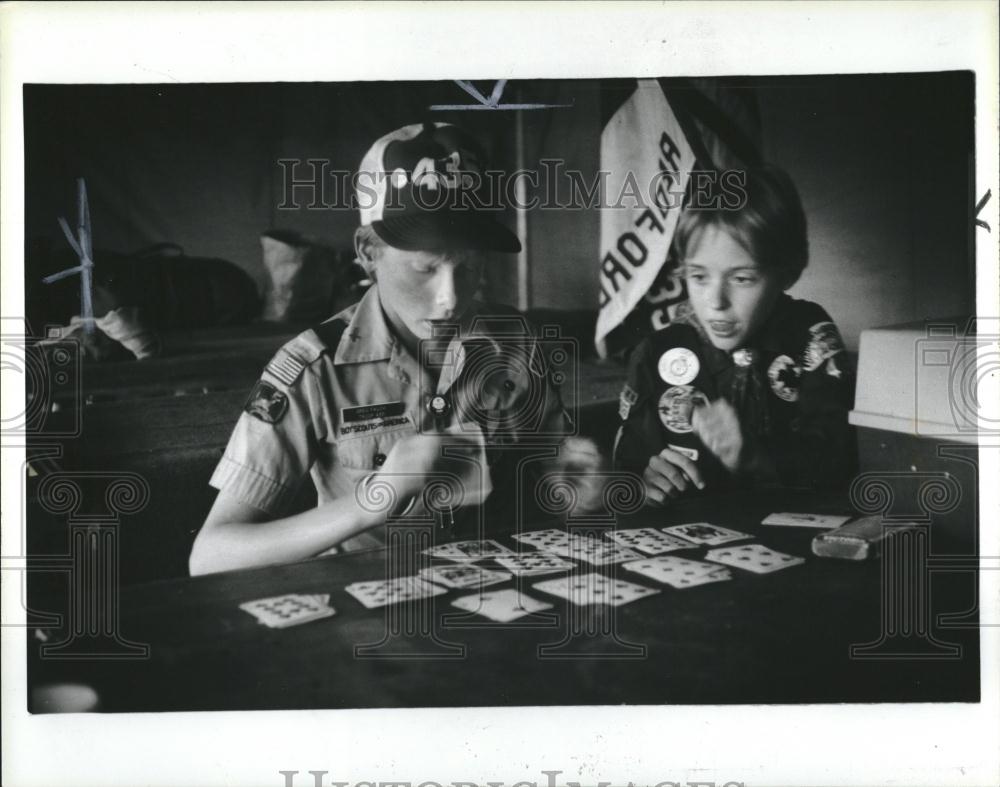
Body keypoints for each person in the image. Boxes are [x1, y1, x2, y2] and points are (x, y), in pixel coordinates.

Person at [190, 122, 601, 576]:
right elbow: (210, 557)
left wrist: (576, 487)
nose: (449, 297)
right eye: (425, 269)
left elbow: (550, 473)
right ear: (368, 253)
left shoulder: (515, 341)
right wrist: (375, 497)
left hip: (495, 593)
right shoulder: (311, 369)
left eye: (468, 268)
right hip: (369, 609)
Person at [614, 165, 855, 505]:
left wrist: (755, 457)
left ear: (787, 272)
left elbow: (842, 464)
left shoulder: (808, 338)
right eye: (699, 277)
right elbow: (628, 465)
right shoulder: (658, 352)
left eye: (742, 279)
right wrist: (644, 480)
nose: (715, 302)